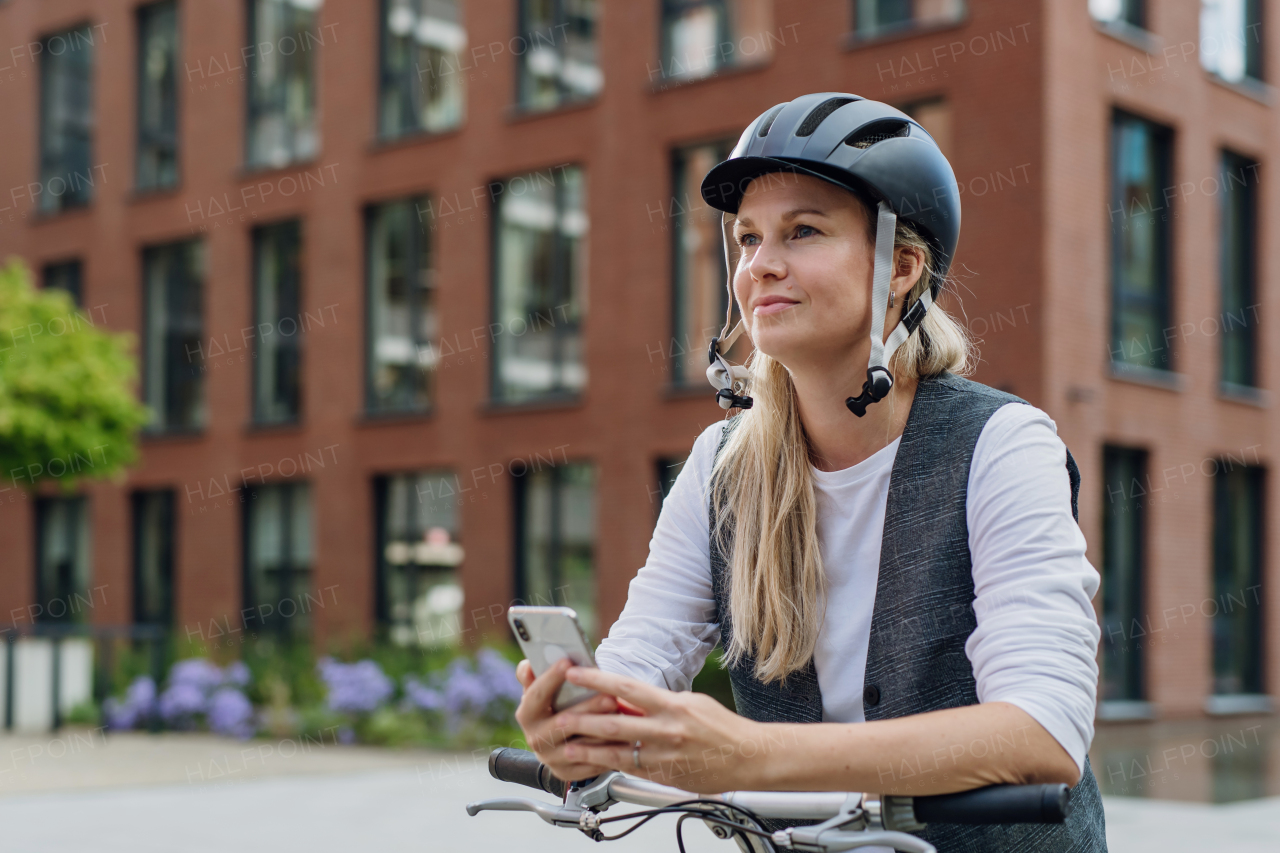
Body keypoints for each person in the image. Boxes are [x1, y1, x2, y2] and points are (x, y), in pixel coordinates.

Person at [513, 93, 1107, 852]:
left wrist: (749, 756)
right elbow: (644, 655)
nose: (760, 265)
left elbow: (1043, 729)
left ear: (900, 267)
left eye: (803, 231)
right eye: (747, 238)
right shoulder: (720, 465)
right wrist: (587, 725)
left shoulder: (1002, 444)